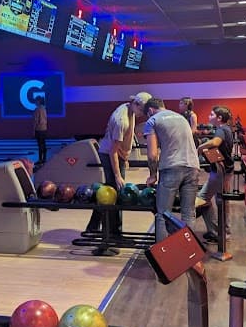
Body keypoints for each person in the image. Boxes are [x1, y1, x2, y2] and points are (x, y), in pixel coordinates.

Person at [85, 91, 153, 236]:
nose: (143, 113)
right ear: (135, 103)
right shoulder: (122, 120)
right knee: (114, 193)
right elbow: (112, 151)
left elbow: (123, 143)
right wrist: (117, 175)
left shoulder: (130, 109)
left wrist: (125, 158)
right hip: (109, 154)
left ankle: (93, 227)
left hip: (116, 154)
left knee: (108, 191)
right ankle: (113, 232)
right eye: (142, 110)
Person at [143, 98, 200, 240]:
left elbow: (152, 155)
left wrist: (152, 175)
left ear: (150, 110)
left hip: (171, 167)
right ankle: (189, 255)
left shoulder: (152, 121)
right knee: (188, 213)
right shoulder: (181, 118)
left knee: (163, 214)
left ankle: (163, 259)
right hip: (193, 166)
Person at [195, 106, 234, 242]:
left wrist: (200, 147)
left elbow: (216, 142)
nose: (209, 116)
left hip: (220, 172)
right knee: (221, 201)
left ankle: (219, 233)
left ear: (219, 118)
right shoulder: (226, 129)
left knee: (203, 198)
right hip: (223, 171)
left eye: (212, 114)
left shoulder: (222, 129)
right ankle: (220, 232)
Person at [33, 96, 48, 164]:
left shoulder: (37, 109)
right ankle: (44, 158)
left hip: (39, 129)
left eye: (36, 101)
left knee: (40, 145)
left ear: (38, 101)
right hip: (44, 128)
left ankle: (40, 159)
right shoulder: (44, 108)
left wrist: (33, 129)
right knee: (43, 144)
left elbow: (36, 120)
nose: (35, 102)